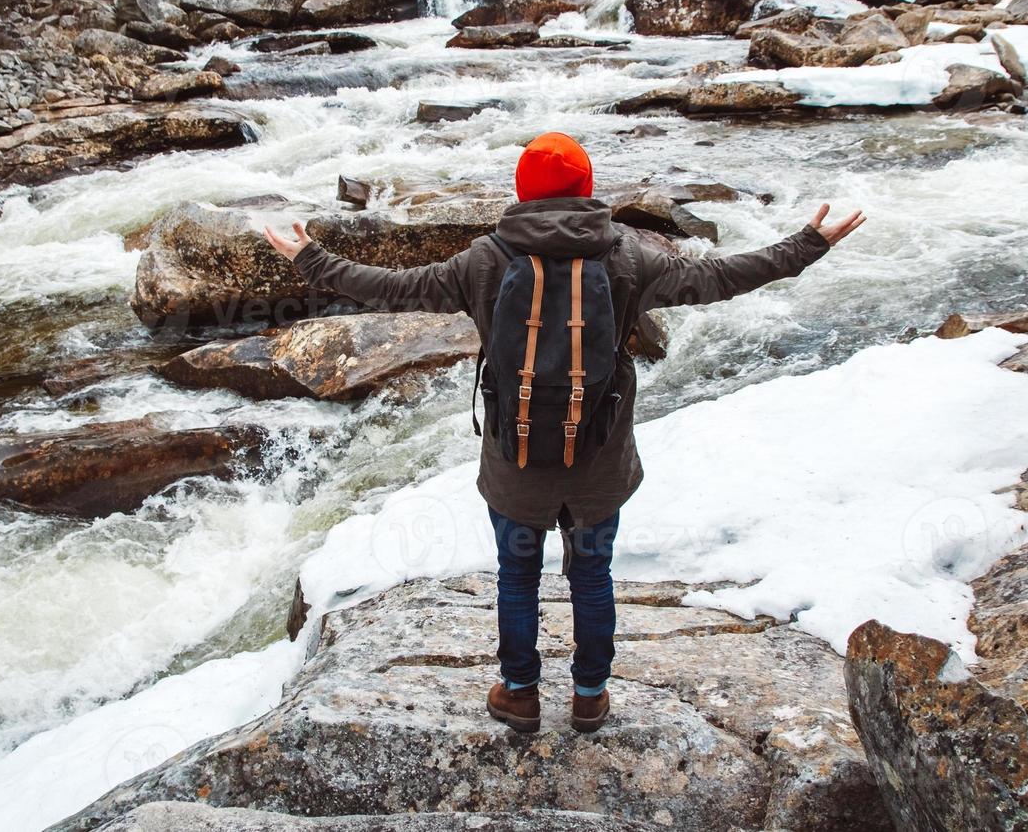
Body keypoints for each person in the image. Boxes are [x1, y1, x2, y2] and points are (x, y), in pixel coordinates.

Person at [265, 132, 864, 734]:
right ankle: (589, 696)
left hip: (516, 459)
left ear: (522, 191)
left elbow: (393, 289)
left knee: (518, 577)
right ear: (587, 188)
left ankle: (521, 693)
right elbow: (720, 277)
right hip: (598, 459)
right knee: (592, 577)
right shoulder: (628, 255)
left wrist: (309, 258)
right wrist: (806, 246)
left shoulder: (486, 258)